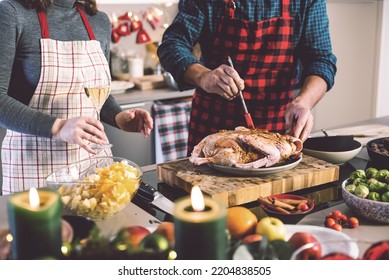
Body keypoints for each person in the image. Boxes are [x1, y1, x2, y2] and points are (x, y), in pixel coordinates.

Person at [0, 0, 153, 194]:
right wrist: (59, 127)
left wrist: (119, 117)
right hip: (32, 169)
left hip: (93, 169)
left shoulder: (98, 21)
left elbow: (95, 92)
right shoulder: (12, 13)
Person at [157, 0, 337, 156]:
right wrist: (204, 76)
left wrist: (304, 102)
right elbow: (172, 44)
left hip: (278, 129)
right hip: (213, 128)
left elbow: (321, 59)